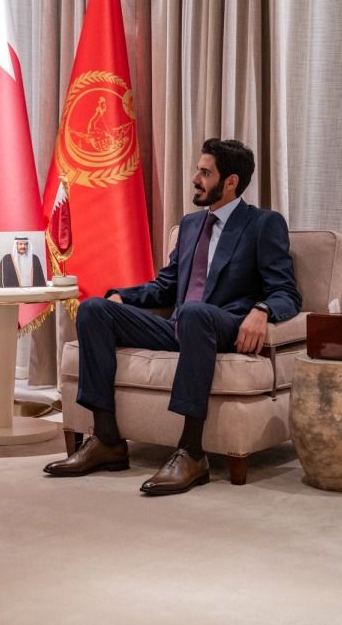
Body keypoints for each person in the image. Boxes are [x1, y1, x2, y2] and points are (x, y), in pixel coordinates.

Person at [44, 138, 301, 495]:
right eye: (198, 170)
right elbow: (166, 286)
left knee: (194, 313)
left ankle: (191, 453)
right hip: (179, 326)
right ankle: (107, 441)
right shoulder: (191, 225)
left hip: (223, 327)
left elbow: (287, 292)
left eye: (205, 173)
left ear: (231, 182)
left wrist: (263, 310)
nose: (195, 179)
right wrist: (123, 296)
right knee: (94, 310)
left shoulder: (262, 224)